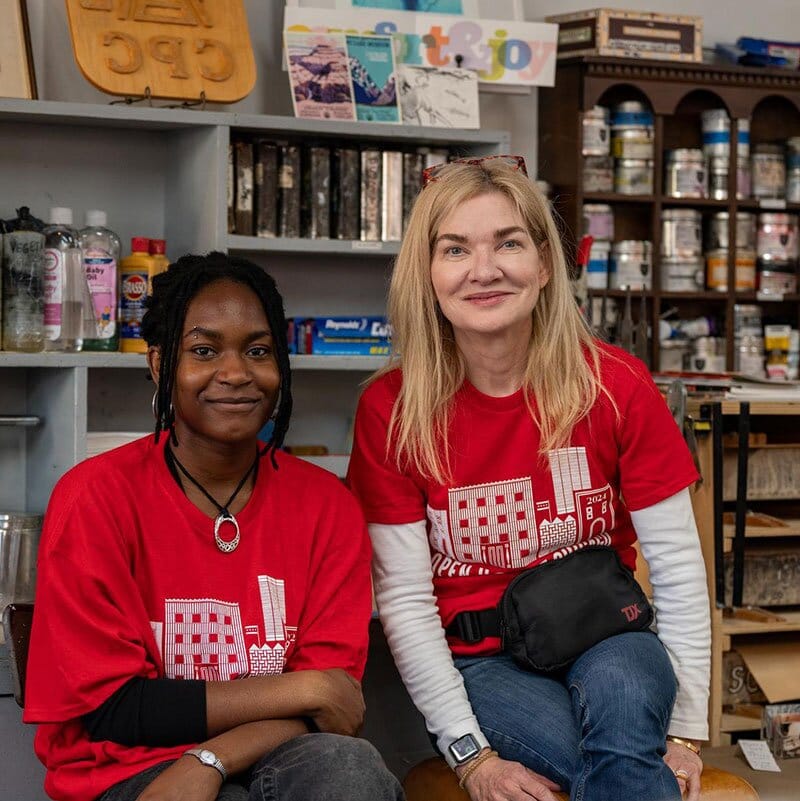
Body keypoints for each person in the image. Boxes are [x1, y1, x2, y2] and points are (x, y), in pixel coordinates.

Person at [347, 157, 711, 801]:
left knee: (626, 717)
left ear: (545, 265)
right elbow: (404, 602)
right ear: (426, 275)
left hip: (611, 637)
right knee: (610, 766)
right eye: (455, 249)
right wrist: (471, 756)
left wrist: (684, 733)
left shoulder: (615, 383)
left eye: (508, 243)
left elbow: (679, 566)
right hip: (484, 663)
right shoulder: (392, 412)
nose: (483, 270)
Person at [24, 252, 403, 801]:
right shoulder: (94, 498)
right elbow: (112, 710)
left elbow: (333, 707)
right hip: (127, 771)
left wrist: (211, 759)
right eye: (204, 351)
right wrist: (303, 687)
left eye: (258, 351)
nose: (236, 374)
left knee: (351, 770)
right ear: (159, 365)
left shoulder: (328, 505)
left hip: (278, 754)